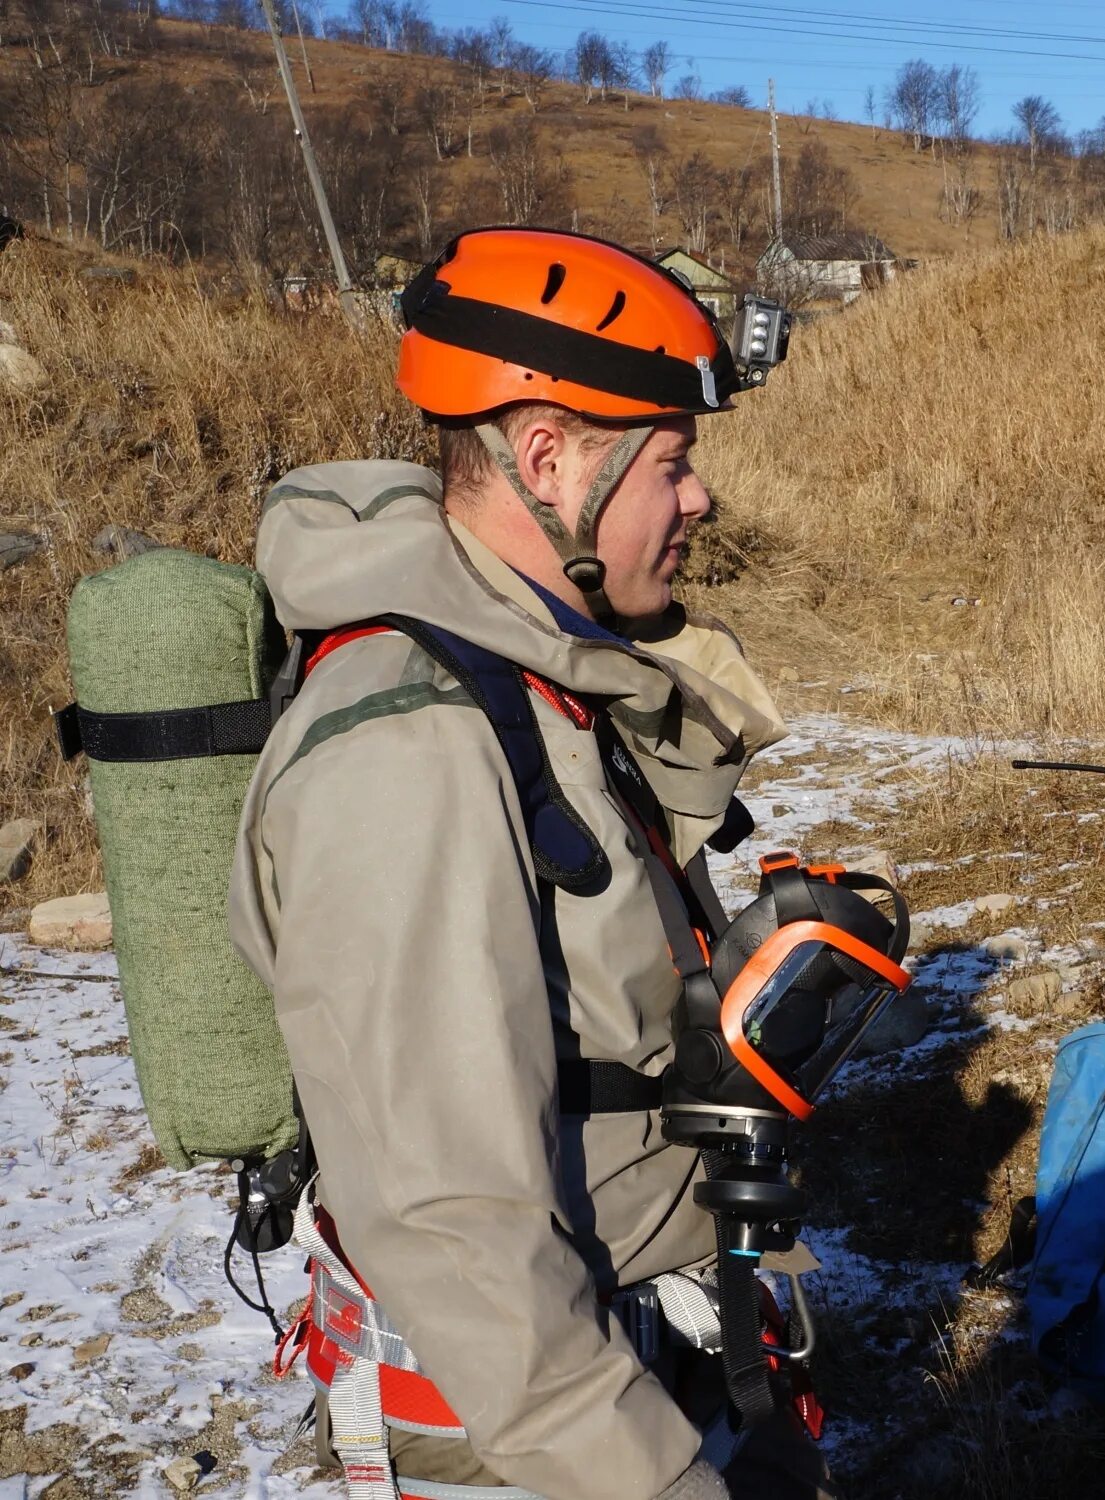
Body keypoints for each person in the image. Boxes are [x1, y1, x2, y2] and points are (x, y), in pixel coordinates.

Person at [229, 228, 819, 1499]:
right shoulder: (413, 743)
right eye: (674, 464)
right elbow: (452, 1217)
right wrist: (654, 1481)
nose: (699, 500)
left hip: (641, 1353)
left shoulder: (537, 671)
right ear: (544, 458)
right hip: (540, 1444)